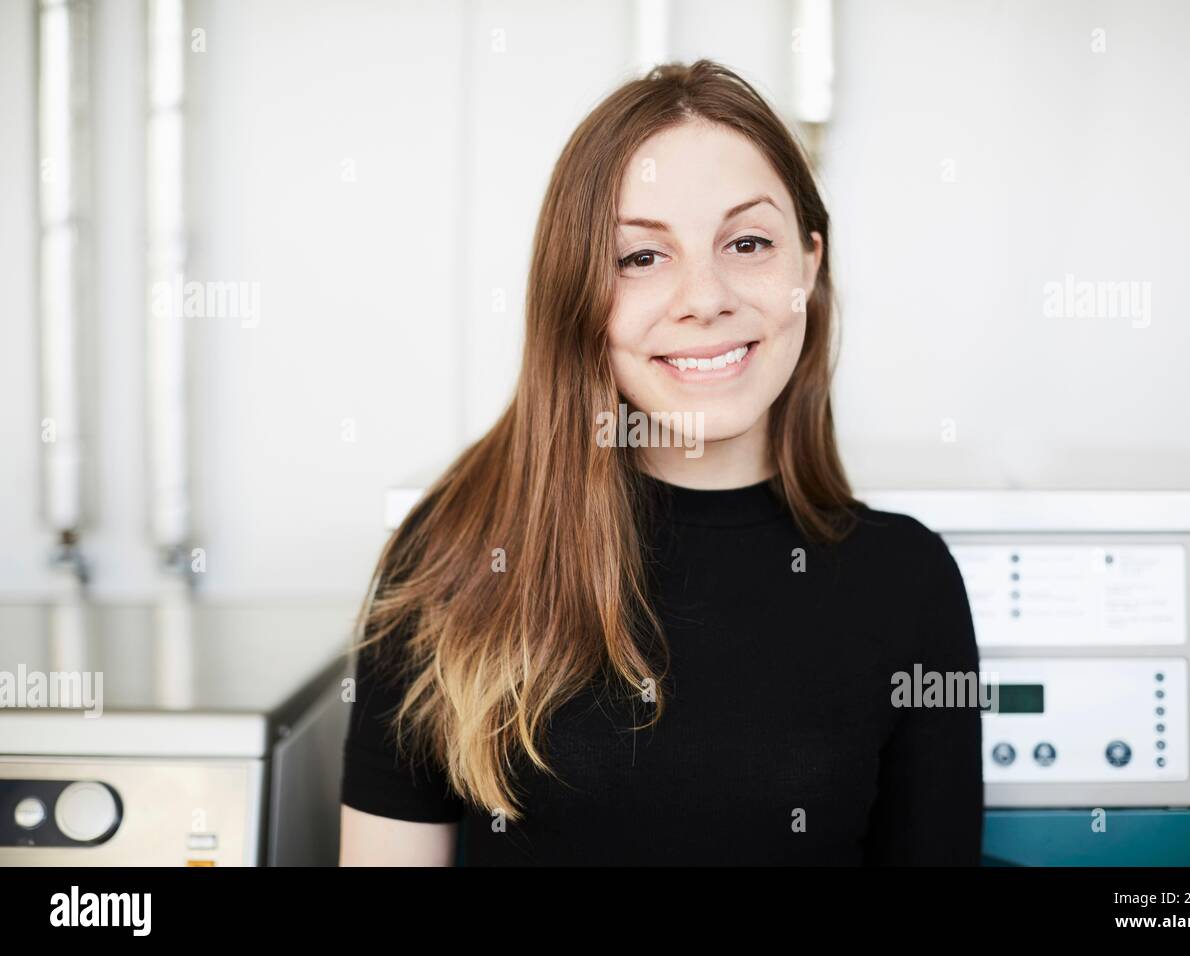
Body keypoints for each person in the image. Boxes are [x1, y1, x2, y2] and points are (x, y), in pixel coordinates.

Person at [338, 59, 983, 866]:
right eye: (641, 258)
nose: (704, 297)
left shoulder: (906, 579)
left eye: (747, 242)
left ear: (808, 267)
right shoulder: (459, 548)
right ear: (576, 290)